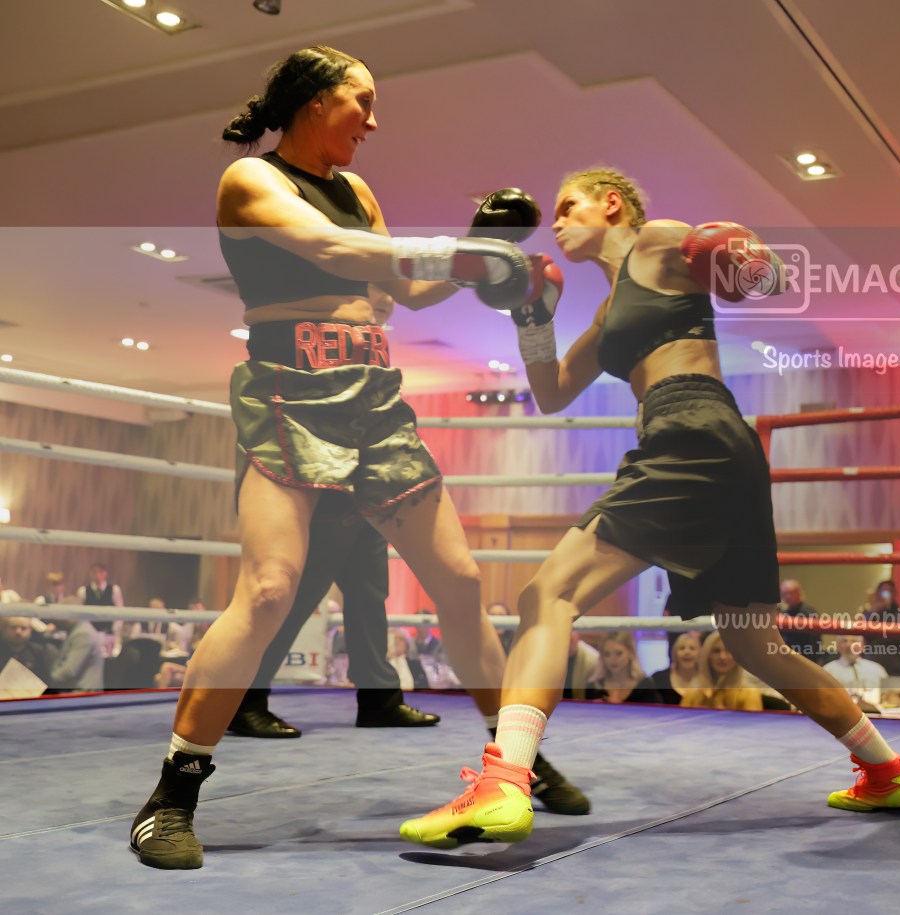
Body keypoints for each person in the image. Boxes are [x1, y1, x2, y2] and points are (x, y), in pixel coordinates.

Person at [129, 46, 585, 870]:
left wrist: (478, 250)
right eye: (361, 100)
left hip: (373, 396)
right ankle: (172, 794)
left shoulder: (359, 190)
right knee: (269, 589)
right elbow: (335, 253)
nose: (373, 121)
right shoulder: (251, 180)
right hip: (289, 390)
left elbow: (402, 292)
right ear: (314, 100)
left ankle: (512, 762)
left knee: (461, 581)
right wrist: (463, 253)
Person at [400, 166, 900, 849]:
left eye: (568, 206)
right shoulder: (608, 311)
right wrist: (533, 316)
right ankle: (888, 770)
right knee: (756, 643)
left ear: (611, 204)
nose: (555, 222)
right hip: (724, 448)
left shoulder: (659, 241)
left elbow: (772, 280)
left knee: (547, 595)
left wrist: (754, 263)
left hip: (690, 430)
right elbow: (553, 391)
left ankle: (503, 784)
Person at [228, 497, 441, 736]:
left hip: (370, 502)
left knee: (368, 600)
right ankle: (242, 701)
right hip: (326, 494)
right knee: (295, 599)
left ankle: (380, 701)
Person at [679, 630, 763, 712]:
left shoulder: (750, 693)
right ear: (707, 655)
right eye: (716, 651)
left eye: (728, 651)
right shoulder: (694, 691)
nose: (722, 657)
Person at [584, 630, 658, 704]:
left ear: (631, 652)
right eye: (607, 654)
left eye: (618, 653)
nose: (612, 659)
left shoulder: (645, 686)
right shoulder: (593, 687)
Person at [859, 579, 900, 677]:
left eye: (890, 591)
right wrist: (875, 610)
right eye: (884, 591)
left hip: (894, 662)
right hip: (873, 660)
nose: (887, 594)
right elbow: (863, 632)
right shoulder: (871, 612)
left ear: (895, 593)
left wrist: (879, 637)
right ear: (878, 593)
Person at [778, 579, 825, 665]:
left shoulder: (808, 612)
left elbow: (815, 641)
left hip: (806, 659)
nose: (786, 597)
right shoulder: (785, 613)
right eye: (783, 594)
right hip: (789, 658)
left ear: (798, 593)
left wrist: (814, 661)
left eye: (789, 593)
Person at [650, 630, 702, 705]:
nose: (687, 652)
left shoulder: (709, 679)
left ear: (700, 654)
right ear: (674, 653)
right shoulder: (658, 678)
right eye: (682, 648)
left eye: (692, 648)